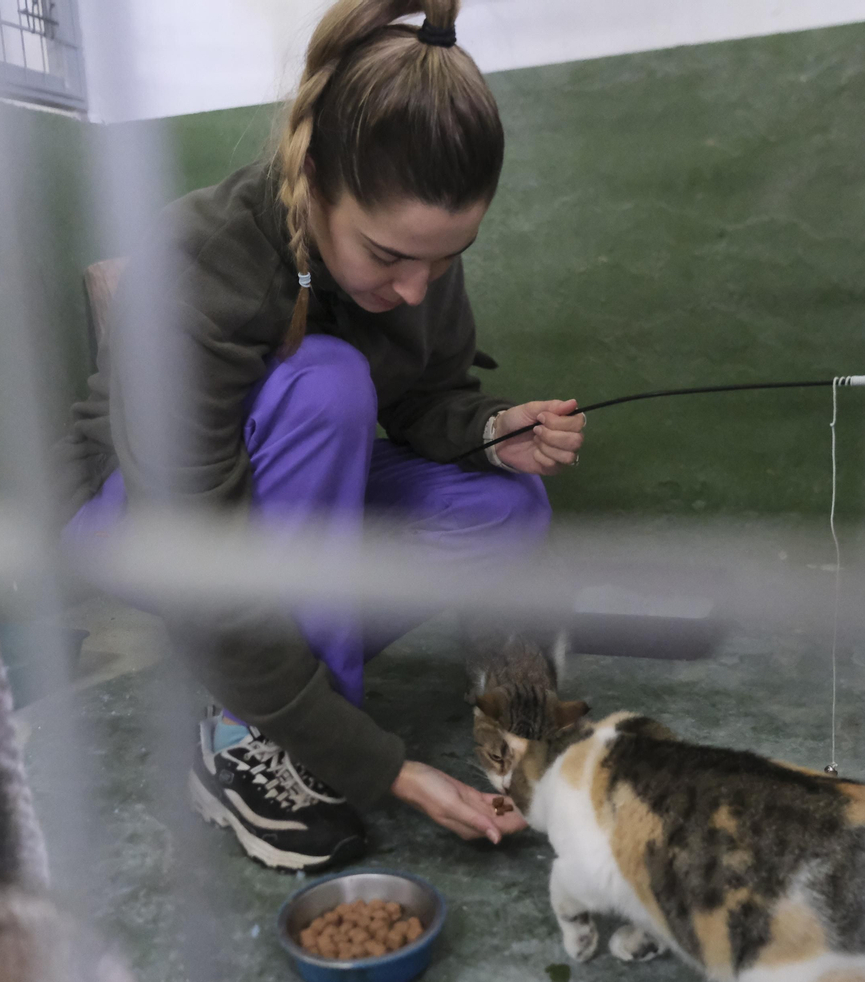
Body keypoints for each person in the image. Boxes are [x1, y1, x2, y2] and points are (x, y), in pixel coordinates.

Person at [57, 0, 586, 872]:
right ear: (315, 180)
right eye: (388, 258)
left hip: (275, 495)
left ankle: (279, 688)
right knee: (327, 383)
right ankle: (259, 736)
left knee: (506, 507)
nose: (418, 289)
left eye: (446, 260)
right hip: (139, 522)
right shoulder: (201, 258)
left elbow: (428, 399)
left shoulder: (415, 265)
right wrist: (383, 768)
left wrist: (491, 432)